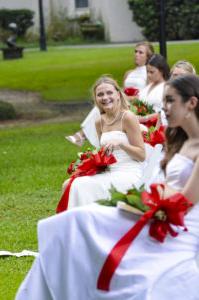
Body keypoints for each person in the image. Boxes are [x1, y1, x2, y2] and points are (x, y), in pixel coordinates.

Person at [16, 74, 199, 300]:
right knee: (74, 208)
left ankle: (71, 259)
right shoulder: (182, 141)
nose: (163, 108)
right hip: (155, 205)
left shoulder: (135, 120)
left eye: (170, 100)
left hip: (176, 221)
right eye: (164, 101)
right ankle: (61, 263)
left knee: (81, 218)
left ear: (191, 104)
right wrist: (96, 164)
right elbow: (166, 186)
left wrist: (141, 205)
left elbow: (184, 201)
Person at [62, 75, 145, 209]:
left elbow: (141, 155)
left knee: (79, 186)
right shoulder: (99, 121)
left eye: (109, 92)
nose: (105, 97)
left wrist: (121, 144)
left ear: (118, 94)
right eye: (100, 94)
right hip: (109, 171)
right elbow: (104, 154)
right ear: (96, 99)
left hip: (128, 173)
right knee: (70, 183)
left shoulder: (128, 117)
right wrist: (92, 163)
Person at [66, 41, 154, 147]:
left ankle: (81, 135)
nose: (136, 54)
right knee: (103, 103)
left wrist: (127, 97)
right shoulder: (129, 73)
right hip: (122, 100)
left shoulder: (149, 73)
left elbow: (146, 95)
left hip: (138, 105)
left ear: (148, 56)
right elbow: (121, 90)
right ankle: (85, 136)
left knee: (104, 103)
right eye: (135, 52)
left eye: (141, 52)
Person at [138, 53, 170, 125]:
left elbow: (165, 111)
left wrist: (145, 118)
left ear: (161, 71)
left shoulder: (167, 87)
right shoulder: (147, 87)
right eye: (147, 72)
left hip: (158, 125)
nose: (149, 75)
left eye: (152, 72)